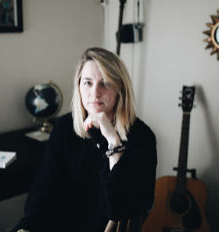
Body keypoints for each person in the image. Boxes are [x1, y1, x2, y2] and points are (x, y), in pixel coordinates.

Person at [12, 47, 157, 232]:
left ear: (119, 88)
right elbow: (45, 187)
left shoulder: (141, 137)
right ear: (79, 86)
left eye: (105, 83)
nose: (95, 93)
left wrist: (113, 142)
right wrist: (28, 225)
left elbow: (121, 209)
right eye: (87, 82)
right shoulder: (65, 127)